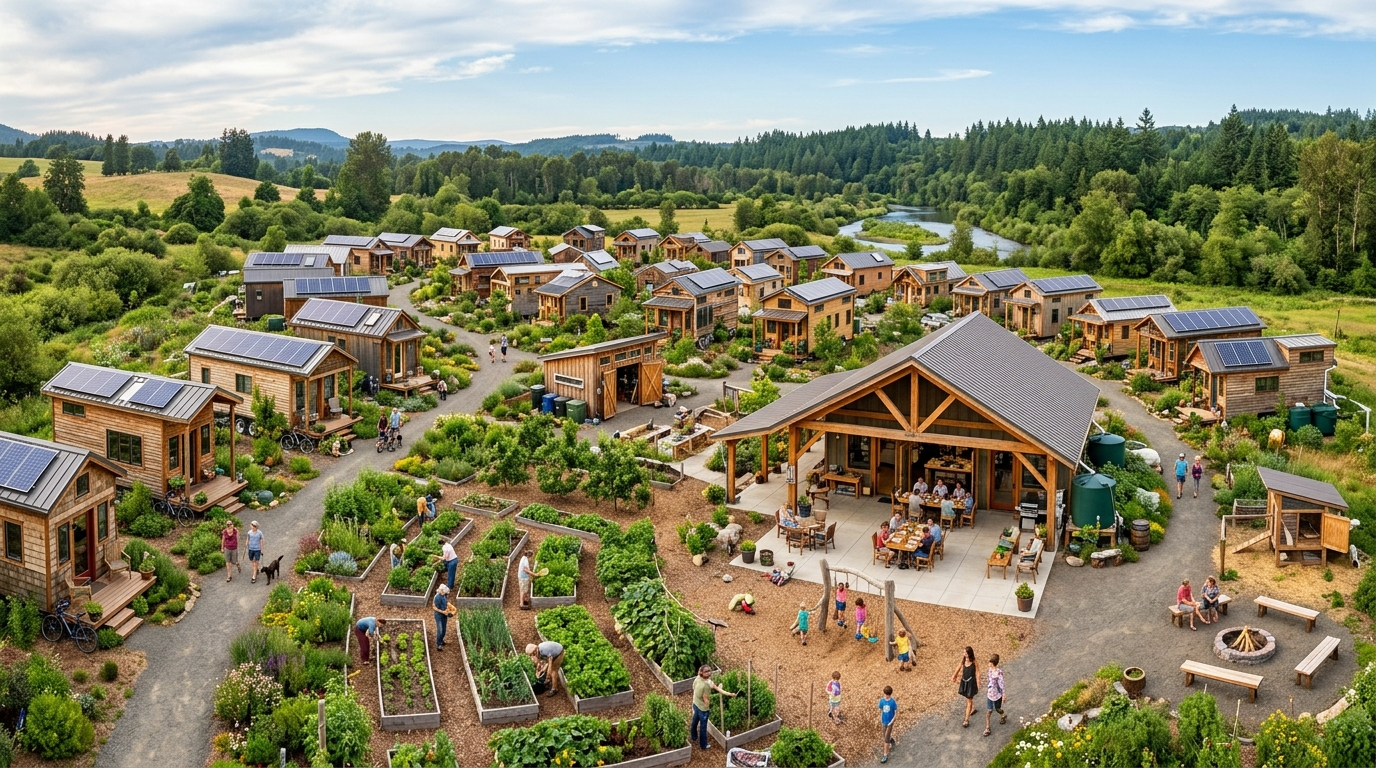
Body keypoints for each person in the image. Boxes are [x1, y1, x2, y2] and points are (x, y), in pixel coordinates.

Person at [691, 665, 736, 751]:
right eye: (706, 671)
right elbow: (705, 698)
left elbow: (717, 689)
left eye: (709, 671)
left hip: (695, 703)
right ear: (701, 672)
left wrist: (730, 694)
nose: (709, 672)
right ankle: (703, 745)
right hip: (703, 709)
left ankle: (693, 736)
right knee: (703, 728)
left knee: (694, 721)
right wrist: (707, 705)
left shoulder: (698, 679)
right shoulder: (706, 685)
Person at [952, 646, 979, 728]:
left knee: (969, 700)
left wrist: (978, 682)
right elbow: (959, 667)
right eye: (963, 652)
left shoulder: (974, 662)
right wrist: (954, 675)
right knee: (968, 697)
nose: (963, 654)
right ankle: (972, 708)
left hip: (971, 683)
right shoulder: (963, 660)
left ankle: (966, 720)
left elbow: (977, 672)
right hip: (964, 681)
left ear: (969, 654)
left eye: (965, 653)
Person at [984, 654, 1006, 737]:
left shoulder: (999, 673)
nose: (989, 664)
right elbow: (988, 679)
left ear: (993, 663)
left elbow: (1001, 684)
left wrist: (1003, 694)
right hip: (990, 694)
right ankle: (987, 728)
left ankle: (1003, 715)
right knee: (989, 711)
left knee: (997, 708)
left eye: (990, 662)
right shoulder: (989, 670)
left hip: (997, 695)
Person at [878, 685, 898, 762]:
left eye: (887, 695)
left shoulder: (892, 702)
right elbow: (881, 709)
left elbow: (895, 713)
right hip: (884, 721)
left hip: (890, 722)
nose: (886, 696)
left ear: (890, 694)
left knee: (885, 739)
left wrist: (891, 722)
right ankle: (891, 739)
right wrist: (881, 718)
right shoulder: (882, 701)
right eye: (885, 695)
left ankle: (885, 755)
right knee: (885, 735)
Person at [432, 584, 453, 651]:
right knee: (440, 630)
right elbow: (435, 608)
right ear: (441, 590)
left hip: (444, 614)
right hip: (438, 615)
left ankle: (441, 640)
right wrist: (443, 612)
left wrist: (449, 610)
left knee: (444, 629)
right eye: (444, 592)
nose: (445, 593)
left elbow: (446, 604)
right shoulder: (437, 597)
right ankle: (439, 645)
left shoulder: (444, 596)